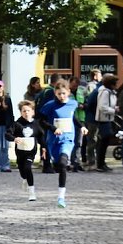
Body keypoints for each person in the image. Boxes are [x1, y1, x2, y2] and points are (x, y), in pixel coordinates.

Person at [38, 79, 83, 208]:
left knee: (63, 164)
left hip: (67, 139)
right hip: (53, 141)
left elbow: (73, 118)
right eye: (59, 94)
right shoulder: (50, 105)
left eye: (64, 93)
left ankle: (61, 198)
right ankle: (55, 162)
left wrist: (82, 126)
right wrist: (53, 128)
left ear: (68, 92)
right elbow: (41, 121)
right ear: (55, 93)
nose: (61, 96)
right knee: (58, 164)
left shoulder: (73, 104)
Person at [6, 100, 45, 201]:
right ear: (20, 112)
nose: (26, 113)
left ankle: (32, 192)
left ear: (32, 112)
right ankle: (24, 179)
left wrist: (44, 148)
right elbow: (8, 134)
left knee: (28, 168)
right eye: (23, 111)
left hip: (31, 151)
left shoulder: (36, 124)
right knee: (22, 170)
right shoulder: (17, 124)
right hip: (20, 151)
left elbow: (41, 137)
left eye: (28, 110)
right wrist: (14, 138)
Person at [94, 74, 118, 172]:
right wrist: (114, 110)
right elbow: (102, 107)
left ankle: (102, 163)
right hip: (104, 120)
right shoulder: (105, 92)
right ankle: (100, 164)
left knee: (105, 142)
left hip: (108, 119)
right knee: (103, 142)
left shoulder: (110, 92)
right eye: (115, 83)